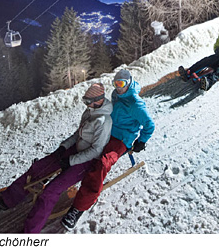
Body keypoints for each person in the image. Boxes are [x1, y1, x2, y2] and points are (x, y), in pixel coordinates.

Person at [0, 83, 112, 233]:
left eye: (87, 101)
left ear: (98, 100)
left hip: (86, 161)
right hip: (75, 149)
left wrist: (71, 161)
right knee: (39, 167)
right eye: (85, 101)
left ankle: (30, 232)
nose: (86, 104)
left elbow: (96, 150)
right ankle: (8, 199)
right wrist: (64, 147)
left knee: (50, 191)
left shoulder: (104, 122)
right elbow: (79, 134)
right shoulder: (89, 111)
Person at [61, 69, 155, 230]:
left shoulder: (135, 103)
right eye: (116, 84)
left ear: (129, 82)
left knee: (102, 164)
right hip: (107, 130)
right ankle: (60, 173)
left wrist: (141, 141)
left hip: (120, 139)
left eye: (122, 84)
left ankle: (78, 208)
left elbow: (149, 125)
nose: (118, 88)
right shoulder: (115, 95)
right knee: (83, 145)